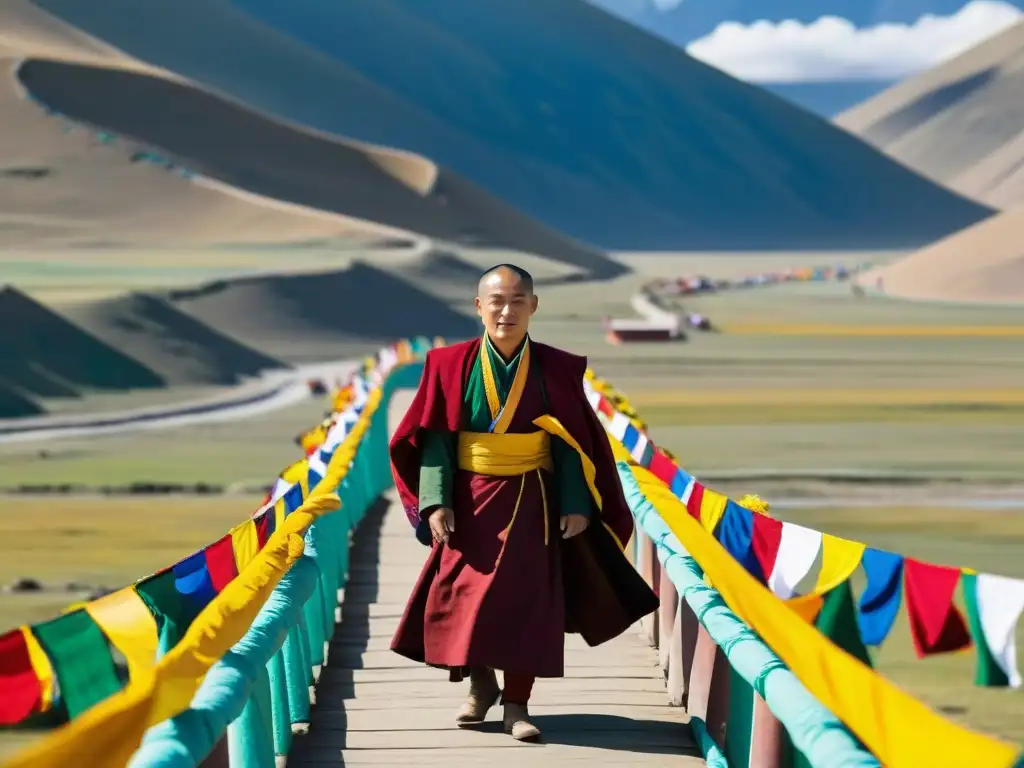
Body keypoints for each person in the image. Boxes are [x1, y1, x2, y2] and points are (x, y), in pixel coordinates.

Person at [389, 264, 659, 742]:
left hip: (532, 500)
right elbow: (434, 441)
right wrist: (434, 501)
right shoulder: (448, 365)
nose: (506, 311)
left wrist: (575, 503)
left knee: (528, 602)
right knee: (464, 598)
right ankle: (479, 687)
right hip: (467, 501)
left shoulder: (557, 368)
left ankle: (517, 705)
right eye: (496, 300)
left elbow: (572, 442)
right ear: (479, 306)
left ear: (534, 306)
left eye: (517, 301)